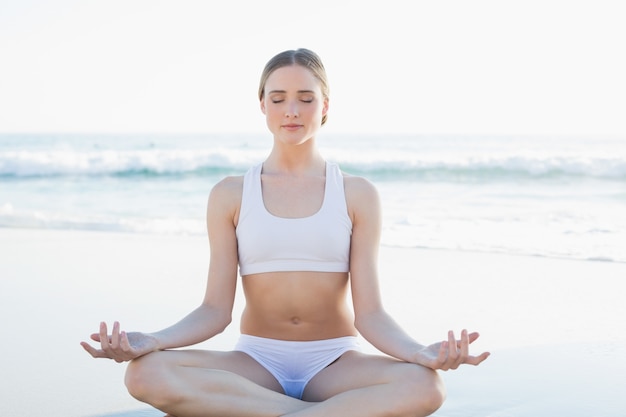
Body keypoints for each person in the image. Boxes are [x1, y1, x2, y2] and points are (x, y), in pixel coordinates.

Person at [81, 48, 490, 417]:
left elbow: (370, 315)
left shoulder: (357, 194)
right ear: (262, 105)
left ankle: (267, 413)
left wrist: (418, 352)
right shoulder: (230, 194)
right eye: (278, 99)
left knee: (424, 385)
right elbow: (214, 311)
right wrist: (152, 339)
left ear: (325, 105)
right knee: (144, 374)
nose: (291, 110)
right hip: (256, 362)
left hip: (334, 363)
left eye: (305, 99)